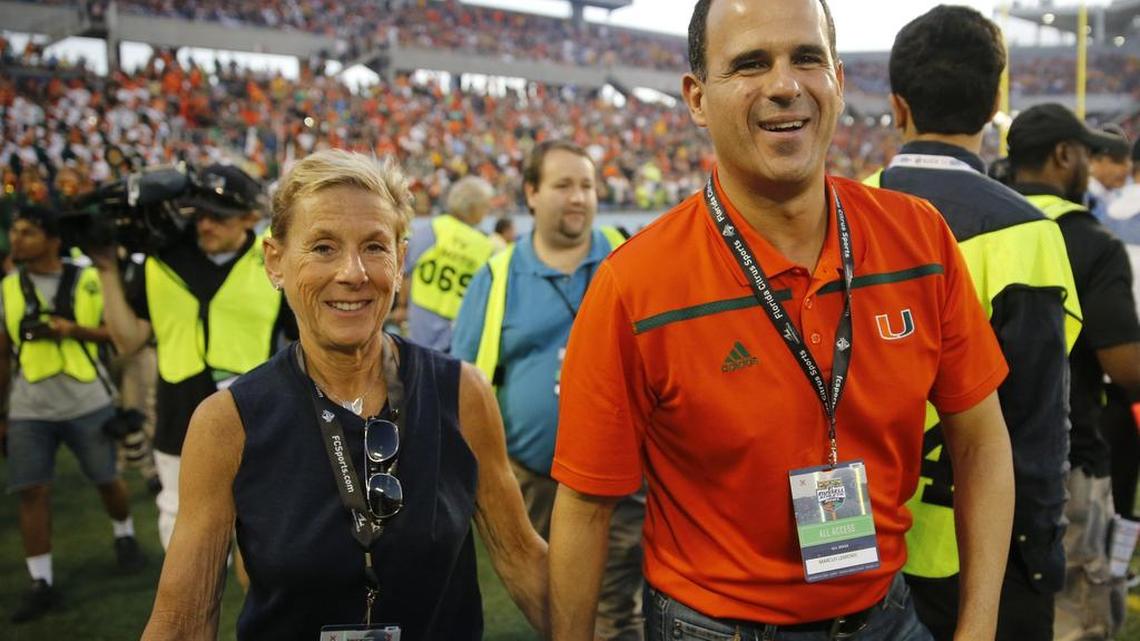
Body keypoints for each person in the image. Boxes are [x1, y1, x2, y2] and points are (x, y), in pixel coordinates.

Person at [548, 1, 1016, 640]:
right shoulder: (634, 286)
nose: (784, 85)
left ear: (839, 80)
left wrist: (979, 627)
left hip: (888, 616)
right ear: (697, 98)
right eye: (749, 64)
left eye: (806, 58)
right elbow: (585, 505)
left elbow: (983, 442)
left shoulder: (919, 239)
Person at [141, 149, 547, 640]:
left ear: (400, 261)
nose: (353, 272)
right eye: (323, 247)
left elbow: (521, 556)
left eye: (375, 247)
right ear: (276, 261)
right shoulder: (227, 423)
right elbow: (183, 620)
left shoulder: (461, 394)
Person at [865, 8, 1081, 640]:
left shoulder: (846, 212)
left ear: (897, 106)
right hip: (987, 555)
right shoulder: (1031, 235)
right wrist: (1040, 556)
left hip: (866, 545)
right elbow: (1039, 424)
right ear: (994, 109)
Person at [452, 140, 640, 640]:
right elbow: (465, 380)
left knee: (617, 608)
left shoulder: (631, 257)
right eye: (563, 185)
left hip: (622, 481)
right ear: (531, 194)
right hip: (532, 481)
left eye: (587, 185)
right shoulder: (496, 276)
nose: (578, 197)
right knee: (552, 608)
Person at [92, 163, 290, 550]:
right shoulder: (162, 259)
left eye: (218, 217)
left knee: (263, 532)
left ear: (250, 217)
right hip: (179, 415)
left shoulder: (275, 260)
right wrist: (105, 270)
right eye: (199, 215)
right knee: (183, 534)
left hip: (256, 415)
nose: (205, 225)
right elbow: (129, 341)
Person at [1006, 103, 1140, 641]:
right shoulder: (1089, 241)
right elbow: (1125, 366)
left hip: (975, 451)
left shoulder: (977, 221)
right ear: (1065, 155)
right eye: (1086, 152)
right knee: (1077, 613)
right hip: (1069, 449)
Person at [1, 205, 145, 624]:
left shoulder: (88, 280)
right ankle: (40, 580)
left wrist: (71, 330)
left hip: (86, 397)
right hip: (29, 403)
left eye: (28, 232)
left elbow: (119, 332)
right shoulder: (8, 286)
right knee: (31, 490)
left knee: (106, 479)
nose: (16, 239)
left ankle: (124, 535)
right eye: (15, 231)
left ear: (52, 240)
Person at [397, 175, 496, 351]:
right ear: (474, 207)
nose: (487, 210)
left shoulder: (427, 231)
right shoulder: (486, 247)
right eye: (486, 205)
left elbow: (406, 274)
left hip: (420, 332)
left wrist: (403, 307)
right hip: (459, 338)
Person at [1086, 125, 1131, 219]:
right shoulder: (1081, 199)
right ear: (1093, 160)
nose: (1125, 169)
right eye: (1117, 161)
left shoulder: (1127, 194)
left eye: (1126, 161)